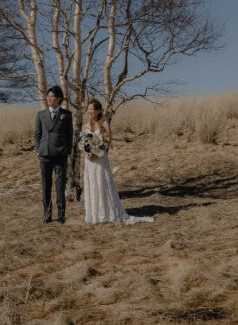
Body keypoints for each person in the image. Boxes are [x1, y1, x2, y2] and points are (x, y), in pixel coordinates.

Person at [82, 99, 153, 224]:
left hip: (100, 159)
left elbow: (108, 141)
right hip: (89, 162)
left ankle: (106, 213)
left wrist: (97, 153)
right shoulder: (85, 126)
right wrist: (87, 153)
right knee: (92, 184)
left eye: (92, 109)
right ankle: (94, 215)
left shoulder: (104, 123)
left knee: (102, 184)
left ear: (98, 110)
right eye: (88, 109)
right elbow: (83, 143)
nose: (90, 111)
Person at [34, 85, 74, 223]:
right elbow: (37, 134)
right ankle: (47, 215)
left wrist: (68, 151)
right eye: (48, 96)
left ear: (59, 99)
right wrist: (38, 150)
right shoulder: (41, 114)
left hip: (60, 155)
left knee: (60, 186)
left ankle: (61, 215)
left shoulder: (66, 115)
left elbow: (69, 135)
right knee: (46, 186)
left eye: (52, 96)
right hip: (44, 155)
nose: (49, 99)